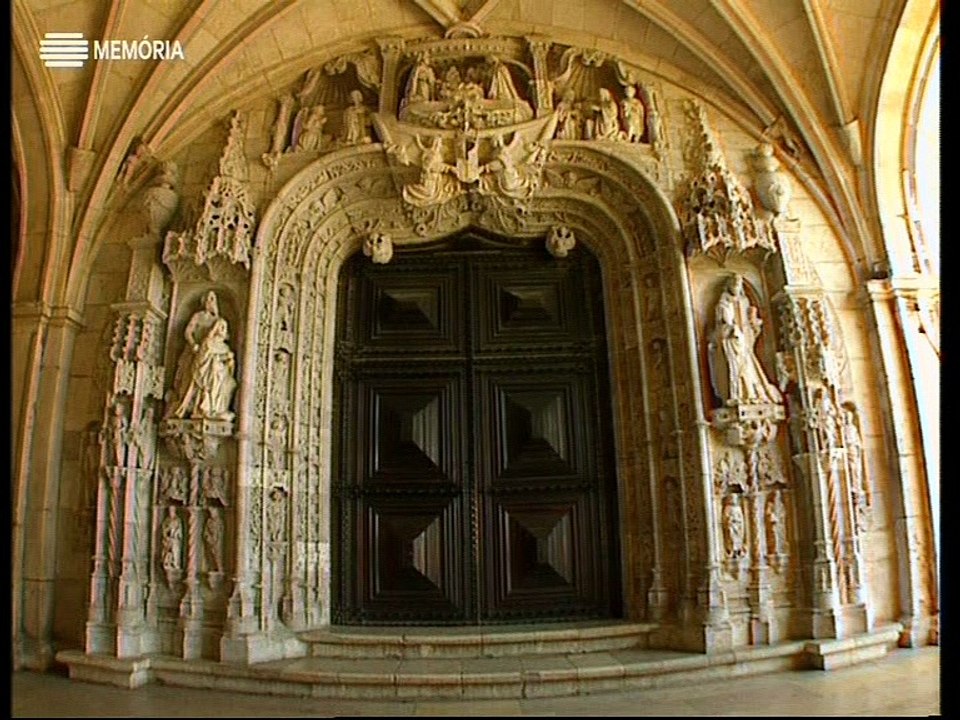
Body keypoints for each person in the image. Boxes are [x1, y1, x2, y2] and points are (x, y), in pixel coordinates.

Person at [709, 275, 782, 406]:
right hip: (732, 341)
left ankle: (751, 393)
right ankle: (737, 394)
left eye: (738, 285)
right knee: (735, 369)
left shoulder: (744, 301)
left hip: (743, 342)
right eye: (734, 284)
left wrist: (754, 325)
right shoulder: (723, 303)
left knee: (748, 368)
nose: (736, 288)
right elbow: (723, 323)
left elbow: (750, 324)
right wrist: (732, 329)